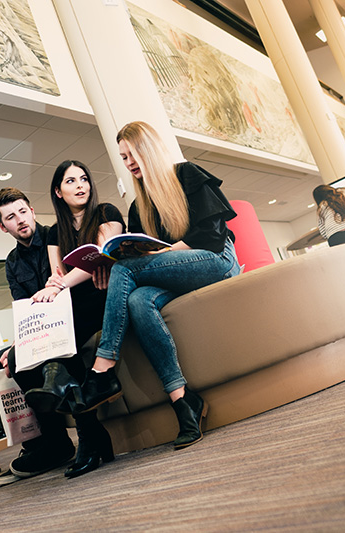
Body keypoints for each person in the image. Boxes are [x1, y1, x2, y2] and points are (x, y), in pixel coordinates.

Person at [79, 121, 240, 450]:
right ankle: (183, 402)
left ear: (148, 148)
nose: (129, 163)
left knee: (126, 271)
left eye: (132, 153)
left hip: (217, 262)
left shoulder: (187, 174)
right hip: (178, 274)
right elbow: (144, 249)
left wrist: (160, 255)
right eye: (123, 158)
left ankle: (102, 368)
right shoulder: (139, 206)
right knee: (138, 301)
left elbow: (210, 237)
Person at [24, 160, 125, 477]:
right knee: (55, 337)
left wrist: (59, 284)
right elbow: (57, 273)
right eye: (71, 181)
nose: (81, 185)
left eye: (84, 179)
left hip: (105, 296)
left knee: (61, 342)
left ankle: (86, 435)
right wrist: (55, 287)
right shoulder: (56, 231)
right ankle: (91, 438)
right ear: (58, 191)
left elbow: (102, 255)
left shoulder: (106, 213)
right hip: (75, 302)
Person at [0, 188, 76, 485]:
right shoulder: (12, 262)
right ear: (2, 226)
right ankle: (35, 443)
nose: (19, 220)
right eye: (10, 217)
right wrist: (18, 341)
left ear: (32, 210)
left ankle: (57, 443)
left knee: (18, 358)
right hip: (36, 330)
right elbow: (23, 309)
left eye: (21, 211)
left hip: (66, 322)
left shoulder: (57, 237)